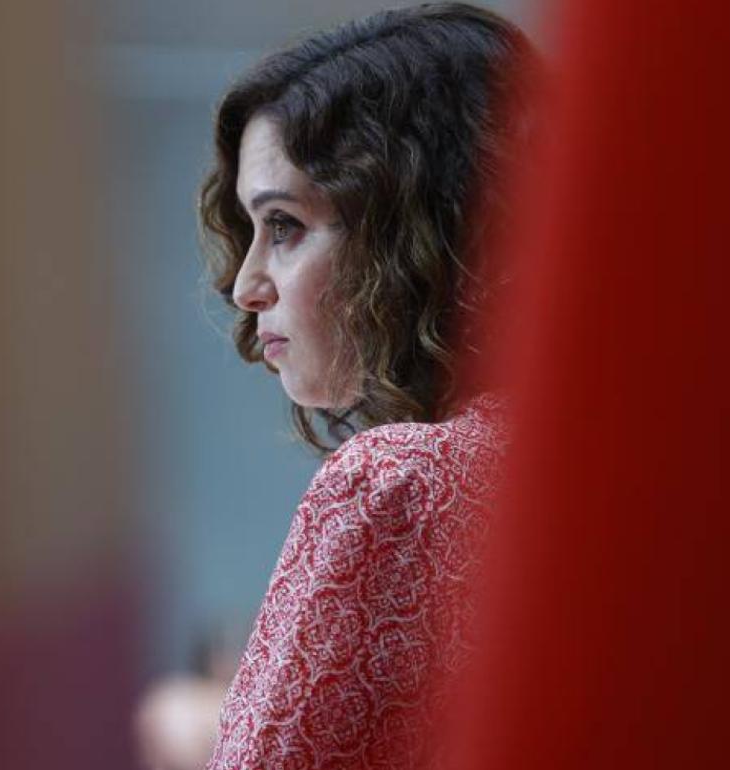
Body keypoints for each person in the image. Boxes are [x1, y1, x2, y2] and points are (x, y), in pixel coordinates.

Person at [196, 4, 537, 768]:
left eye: (283, 225)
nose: (246, 286)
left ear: (418, 230)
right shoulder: (660, 470)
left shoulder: (396, 485)